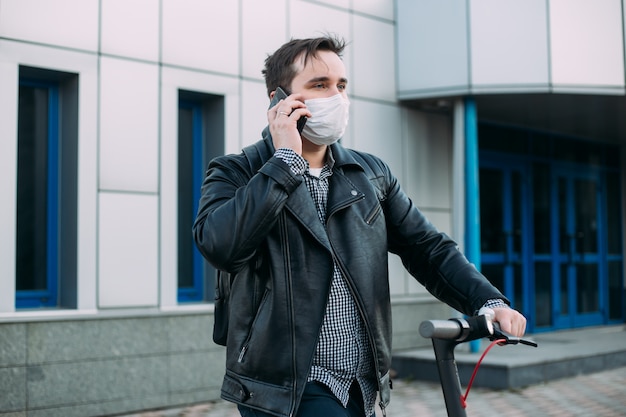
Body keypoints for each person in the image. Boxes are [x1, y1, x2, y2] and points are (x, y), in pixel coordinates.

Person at [193, 35, 527, 417]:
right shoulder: (237, 170)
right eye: (320, 85)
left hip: (362, 384)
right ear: (278, 100)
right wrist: (285, 161)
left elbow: (427, 247)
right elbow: (219, 245)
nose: (336, 97)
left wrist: (488, 301)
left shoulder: (369, 174)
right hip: (285, 389)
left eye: (341, 85)